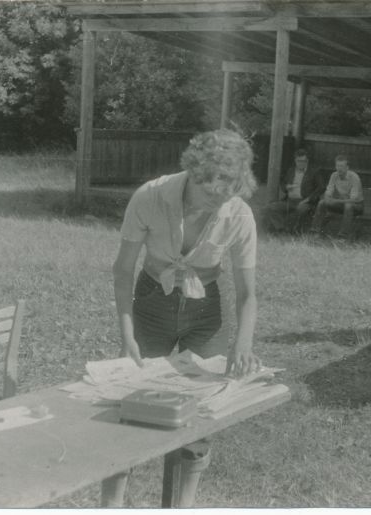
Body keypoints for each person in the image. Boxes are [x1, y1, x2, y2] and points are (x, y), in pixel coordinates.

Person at [112, 129, 262, 499]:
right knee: (133, 403)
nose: (217, 201)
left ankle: (184, 505)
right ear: (193, 175)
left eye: (226, 194)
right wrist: (126, 331)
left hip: (205, 308)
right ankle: (111, 503)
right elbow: (123, 269)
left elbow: (247, 293)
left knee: (201, 411)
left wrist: (242, 344)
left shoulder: (238, 214)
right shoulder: (150, 196)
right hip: (151, 300)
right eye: (210, 192)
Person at [262, 149, 326, 234]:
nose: (301, 163)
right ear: (295, 161)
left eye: (304, 161)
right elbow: (283, 183)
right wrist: (286, 187)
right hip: (289, 201)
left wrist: (308, 199)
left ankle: (291, 230)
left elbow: (321, 187)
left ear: (307, 161)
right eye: (299, 161)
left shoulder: (314, 172)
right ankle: (281, 229)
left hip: (305, 202)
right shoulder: (291, 171)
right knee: (269, 207)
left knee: (300, 210)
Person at [310, 154, 364, 239]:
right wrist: (327, 198)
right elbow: (328, 192)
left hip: (357, 206)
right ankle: (314, 232)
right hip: (342, 203)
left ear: (347, 167)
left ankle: (342, 236)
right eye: (338, 166)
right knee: (322, 202)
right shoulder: (334, 175)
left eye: (342, 166)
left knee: (348, 206)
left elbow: (354, 199)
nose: (339, 168)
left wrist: (335, 201)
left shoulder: (354, 177)